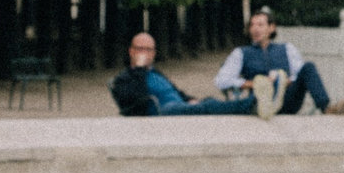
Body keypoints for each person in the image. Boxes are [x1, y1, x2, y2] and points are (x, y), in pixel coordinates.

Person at [214, 10, 344, 117]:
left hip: (287, 99)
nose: (255, 29)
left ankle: (326, 108)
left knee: (308, 67)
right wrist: (253, 84)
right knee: (262, 93)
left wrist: (285, 81)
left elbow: (298, 74)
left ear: (271, 28)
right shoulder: (241, 53)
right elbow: (222, 81)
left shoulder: (287, 49)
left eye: (260, 25)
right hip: (261, 101)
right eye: (252, 25)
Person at [109, 32, 254, 116]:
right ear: (131, 52)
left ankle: (247, 105)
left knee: (207, 101)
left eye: (149, 50)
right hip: (161, 111)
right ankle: (250, 104)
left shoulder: (154, 72)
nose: (146, 54)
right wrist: (139, 69)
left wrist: (190, 99)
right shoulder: (124, 78)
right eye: (141, 49)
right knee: (207, 107)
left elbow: (175, 91)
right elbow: (136, 100)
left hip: (179, 106)